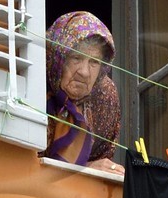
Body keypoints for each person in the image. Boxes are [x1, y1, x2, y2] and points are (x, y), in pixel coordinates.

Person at [43, 11, 124, 175]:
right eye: (76, 58)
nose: (85, 72)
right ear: (58, 57)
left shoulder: (105, 96)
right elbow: (18, 165)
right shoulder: (33, 83)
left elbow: (103, 158)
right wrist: (85, 169)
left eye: (94, 62)